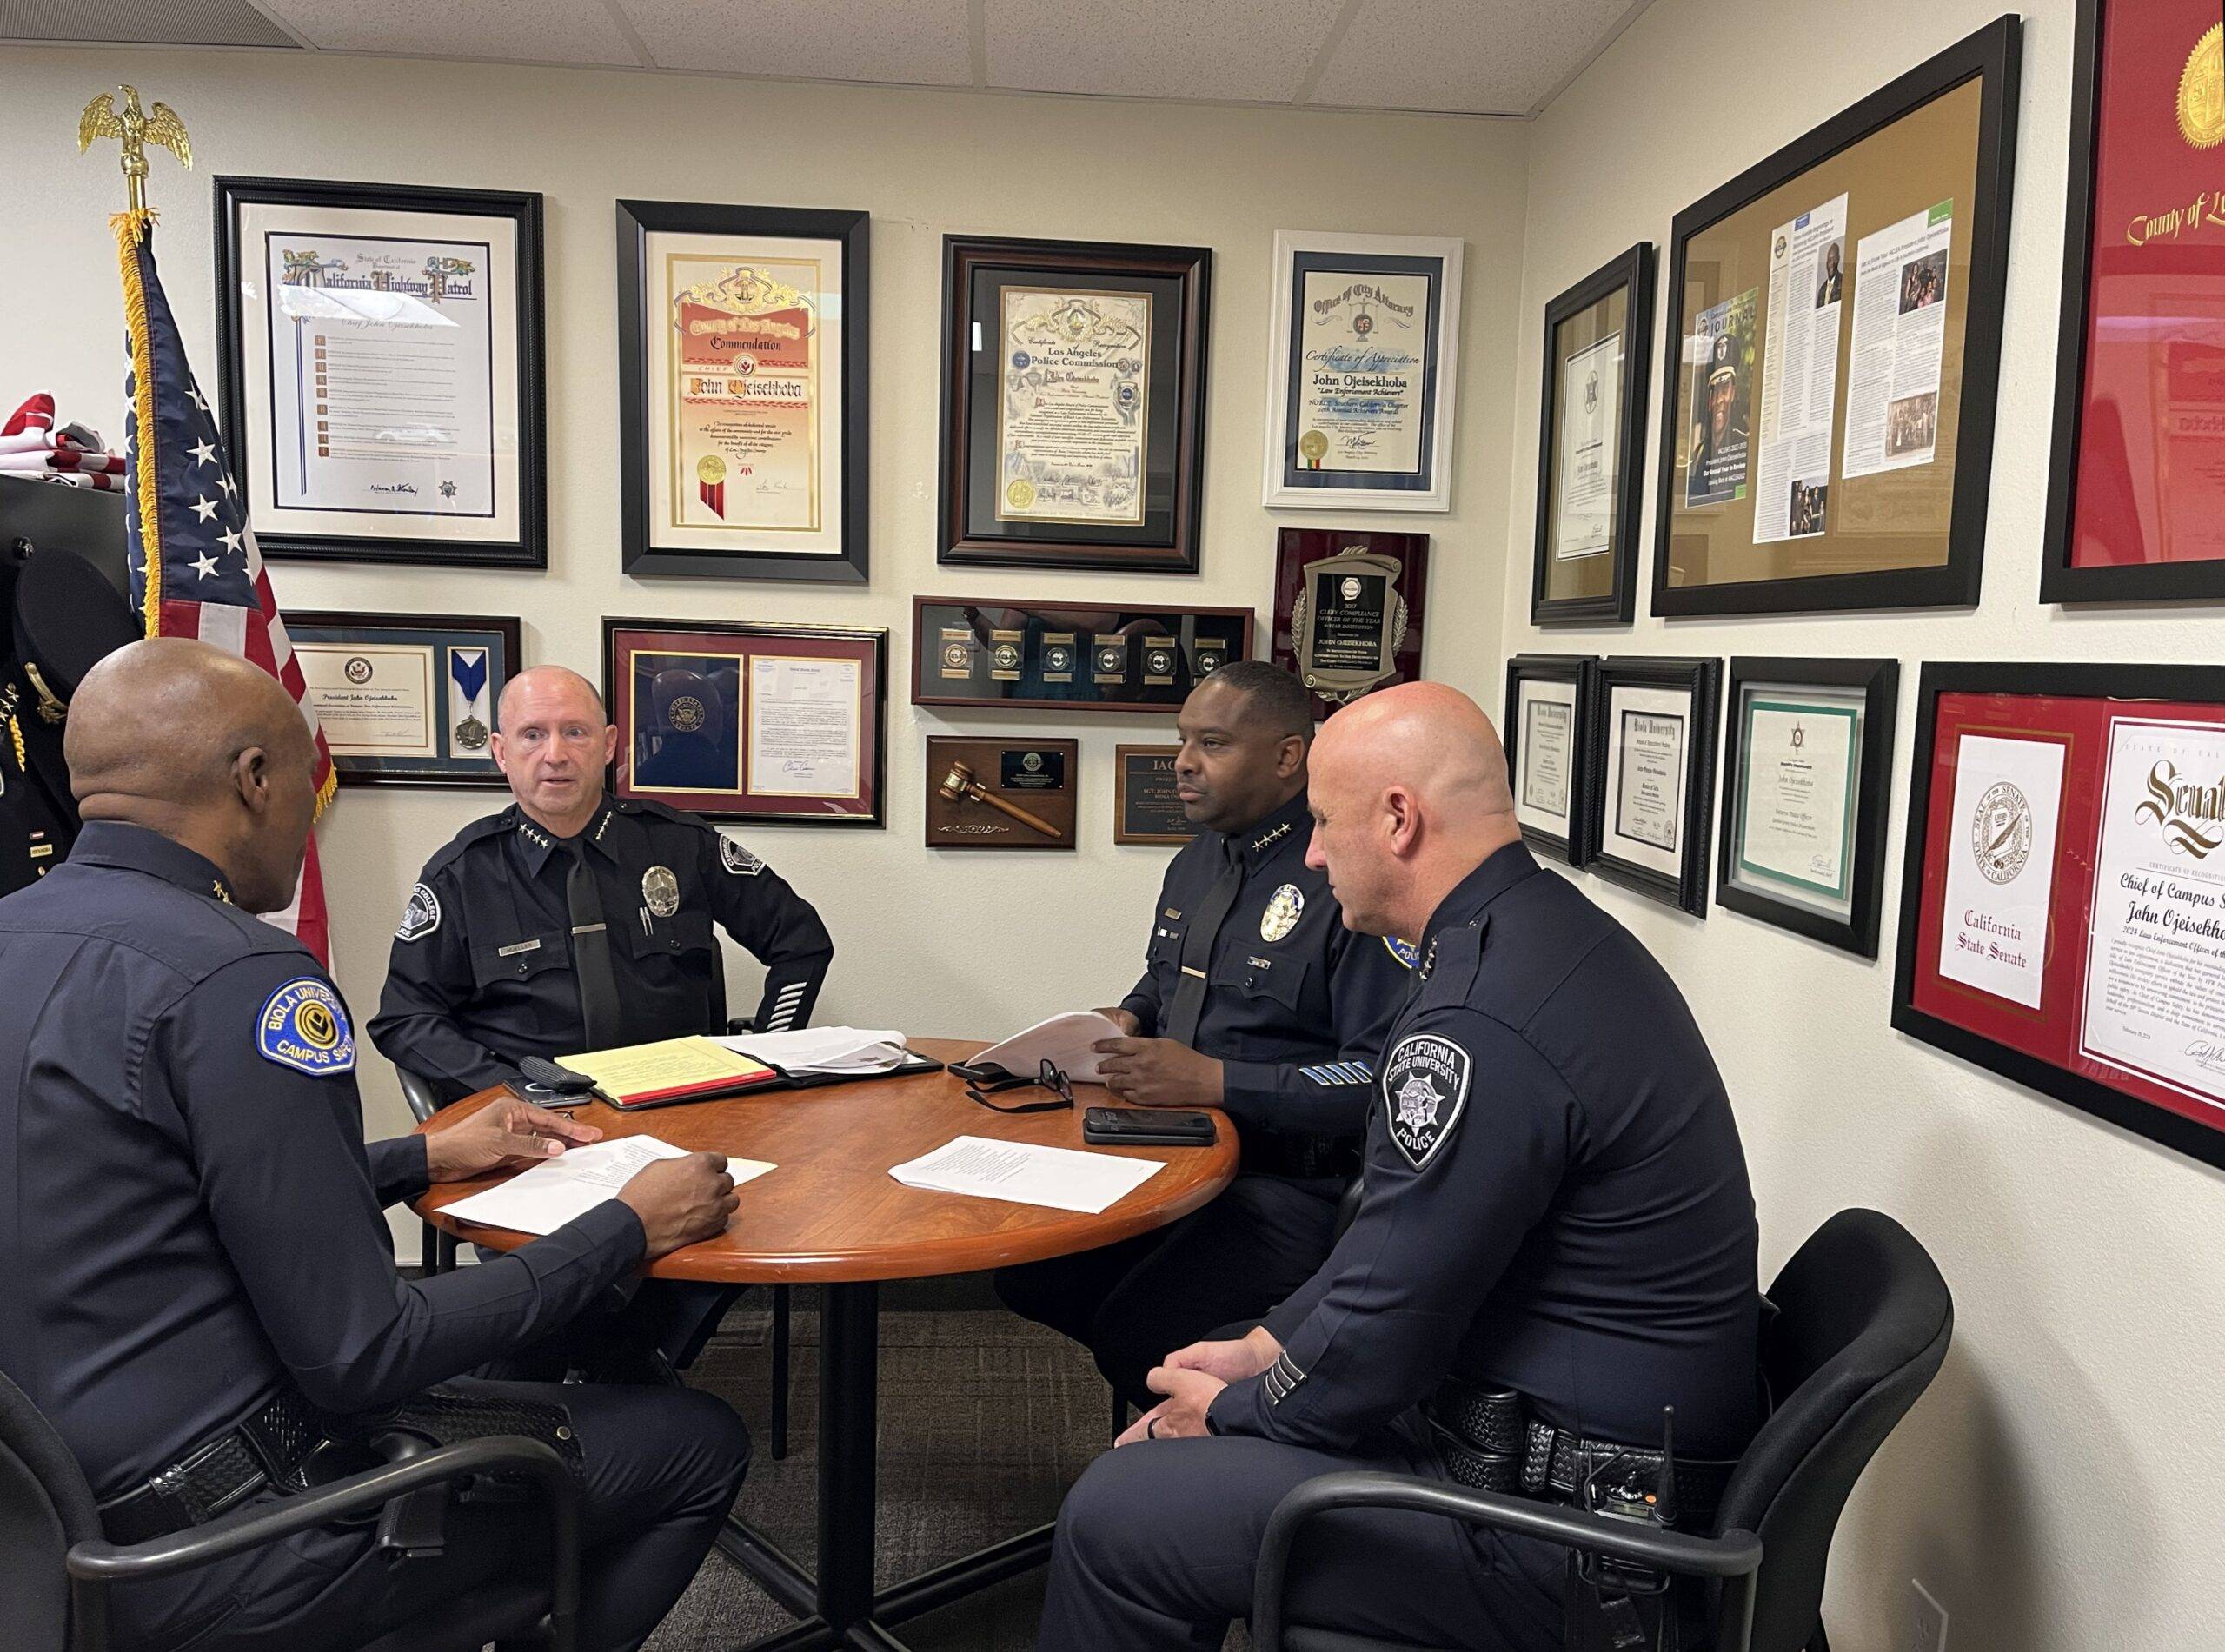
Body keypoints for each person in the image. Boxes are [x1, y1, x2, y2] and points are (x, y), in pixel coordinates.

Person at [0, 637, 749, 1652]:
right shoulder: (243, 978)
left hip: (49, 1532)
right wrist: (626, 1225)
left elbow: (165, 1188)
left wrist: (419, 1158)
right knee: (696, 1441)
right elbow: (366, 1351)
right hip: (233, 1541)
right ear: (255, 778)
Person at [1036, 682, 1763, 1651]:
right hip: (1562, 1447)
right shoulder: (1537, 935)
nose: (1312, 853)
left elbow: (1389, 1314)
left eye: (1325, 823)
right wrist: (1266, 1344)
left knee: (1118, 1512)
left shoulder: (1478, 1018)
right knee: (1178, 1434)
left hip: (1574, 1540)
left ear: (1397, 818)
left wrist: (1240, 1409)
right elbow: (1393, 1241)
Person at [993, 661, 1410, 1411]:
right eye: (1182, 739)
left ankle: (1218, 1433)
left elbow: (1381, 1079)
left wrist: (1219, 1081)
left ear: (1288, 756)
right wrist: (1129, 1014)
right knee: (1027, 1269)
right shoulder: (1198, 860)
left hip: (1290, 1184)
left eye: (1212, 743)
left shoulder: (1343, 878)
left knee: (1136, 1330)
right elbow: (1166, 978)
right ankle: (1184, 1399)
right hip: (1173, 1151)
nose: (1183, 762)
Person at [371, 665, 834, 1104]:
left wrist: (768, 1054)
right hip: (539, 1119)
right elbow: (406, 1017)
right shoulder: (462, 875)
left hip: (680, 1107)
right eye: (532, 734)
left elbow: (801, 941)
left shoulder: (682, 845)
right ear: (501, 752)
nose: (555, 754)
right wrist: (508, 1093)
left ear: (609, 745)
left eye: (575, 732)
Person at [1814, 240, 1843, 306]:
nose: (1831, 263)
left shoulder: (1843, 281)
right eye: (1829, 260)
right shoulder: (1821, 291)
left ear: (1838, 259)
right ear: (1826, 263)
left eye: (1834, 259)